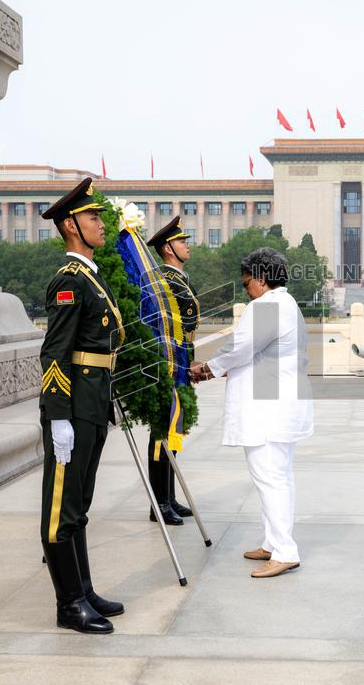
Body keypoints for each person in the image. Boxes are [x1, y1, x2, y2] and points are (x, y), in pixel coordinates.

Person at [191, 248, 314, 578]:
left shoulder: (266, 307)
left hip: (268, 408)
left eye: (247, 283)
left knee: (270, 478)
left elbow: (240, 348)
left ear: (261, 279)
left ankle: (285, 551)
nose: (246, 290)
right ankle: (273, 543)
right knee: (278, 477)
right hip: (280, 403)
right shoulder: (286, 304)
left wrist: (207, 368)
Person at [39, 177, 126, 634]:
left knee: (79, 502)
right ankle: (68, 605)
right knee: (61, 508)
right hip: (72, 407)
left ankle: (83, 589)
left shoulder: (90, 276)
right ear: (71, 225)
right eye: (93, 217)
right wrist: (58, 417)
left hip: (92, 403)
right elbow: (54, 353)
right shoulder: (69, 281)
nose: (101, 223)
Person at [144, 215, 200, 525]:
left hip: (179, 362)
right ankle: (159, 503)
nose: (186, 246)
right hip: (166, 366)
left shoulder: (179, 279)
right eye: (181, 241)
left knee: (173, 432)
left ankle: (169, 497)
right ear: (168, 248)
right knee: (161, 435)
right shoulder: (164, 281)